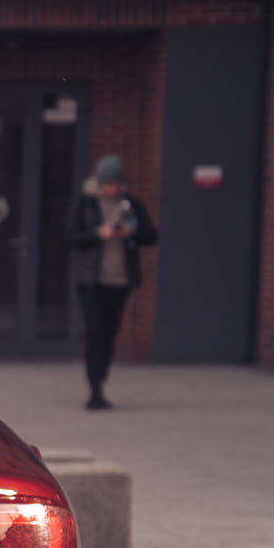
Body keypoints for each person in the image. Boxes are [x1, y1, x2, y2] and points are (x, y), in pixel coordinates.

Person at [66, 154, 158, 410]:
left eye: (117, 183)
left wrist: (131, 232)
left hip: (120, 281)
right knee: (94, 330)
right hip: (91, 280)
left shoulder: (131, 204)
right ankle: (94, 387)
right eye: (108, 184)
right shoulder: (87, 203)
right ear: (100, 182)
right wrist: (98, 233)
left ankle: (101, 380)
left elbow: (151, 235)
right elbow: (70, 236)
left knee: (109, 332)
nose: (113, 188)